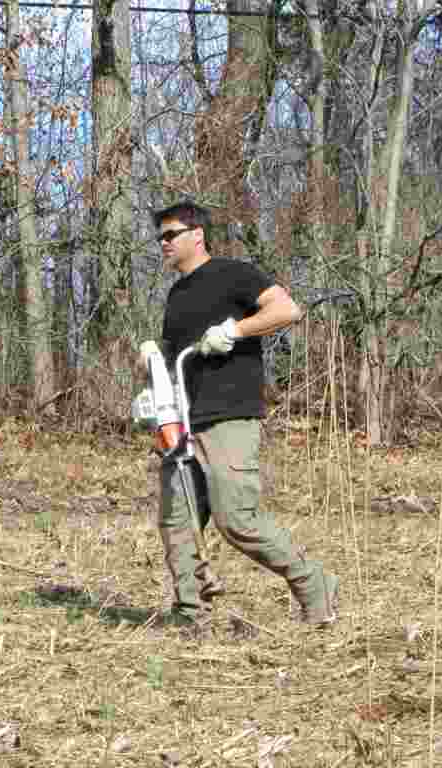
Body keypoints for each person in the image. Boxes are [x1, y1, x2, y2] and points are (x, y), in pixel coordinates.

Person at [141, 199, 339, 630]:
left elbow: (287, 309)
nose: (163, 243)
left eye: (170, 234)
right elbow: (177, 360)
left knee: (237, 521)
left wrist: (235, 329)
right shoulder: (177, 294)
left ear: (197, 234)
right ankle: (191, 615)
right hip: (185, 422)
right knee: (177, 522)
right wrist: (154, 381)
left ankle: (314, 584)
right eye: (159, 237)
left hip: (230, 415)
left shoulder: (234, 274)